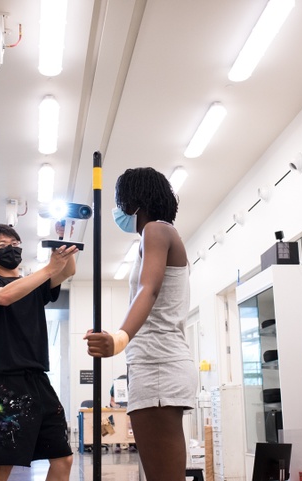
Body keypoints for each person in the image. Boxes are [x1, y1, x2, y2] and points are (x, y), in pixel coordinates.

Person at [85, 167, 196, 481]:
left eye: (122, 203)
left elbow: (150, 288)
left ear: (135, 202)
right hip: (153, 363)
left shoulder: (157, 231)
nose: (120, 211)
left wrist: (119, 339)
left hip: (159, 363)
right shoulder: (154, 238)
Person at [0, 223, 77, 481]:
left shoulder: (33, 284)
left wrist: (64, 240)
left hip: (38, 380)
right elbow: (6, 297)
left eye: (16, 244)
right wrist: (49, 268)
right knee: (2, 466)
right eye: (3, 246)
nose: (12, 249)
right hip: (6, 383)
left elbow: (68, 270)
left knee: (63, 457)